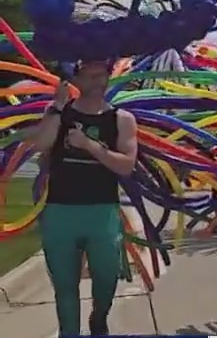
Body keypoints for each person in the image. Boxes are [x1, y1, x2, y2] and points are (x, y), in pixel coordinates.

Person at [30, 60, 138, 337]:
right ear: (75, 79)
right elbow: (41, 145)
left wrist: (90, 146)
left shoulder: (121, 119)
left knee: (106, 276)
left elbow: (126, 165)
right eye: (89, 76)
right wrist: (56, 107)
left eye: (100, 75)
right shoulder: (58, 114)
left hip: (101, 211)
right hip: (60, 211)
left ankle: (99, 316)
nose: (96, 81)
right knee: (65, 285)